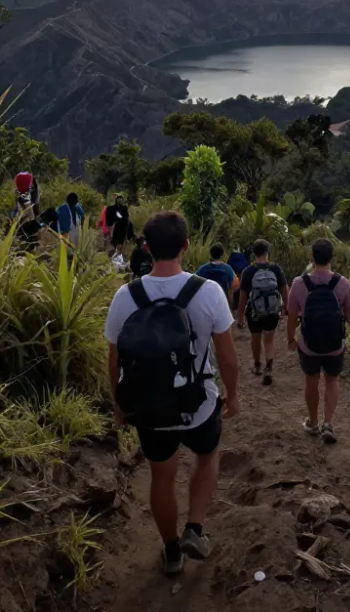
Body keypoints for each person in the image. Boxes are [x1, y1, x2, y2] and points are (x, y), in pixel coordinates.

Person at [104, 211, 239, 577]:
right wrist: (234, 394)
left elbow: (115, 360)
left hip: (149, 409)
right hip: (197, 404)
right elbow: (227, 358)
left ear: (146, 247)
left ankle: (171, 551)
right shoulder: (208, 292)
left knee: (161, 477)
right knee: (208, 455)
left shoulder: (125, 296)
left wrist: (120, 406)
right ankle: (194, 528)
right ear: (185, 245)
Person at [287, 238, 350, 444]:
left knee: (311, 380)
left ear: (311, 257)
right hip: (335, 346)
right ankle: (329, 423)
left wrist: (291, 339)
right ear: (332, 258)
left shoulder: (299, 284)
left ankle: (313, 422)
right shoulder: (343, 283)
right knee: (332, 380)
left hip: (309, 345)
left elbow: (291, 316)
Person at [237, 239, 288, 386]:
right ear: (267, 252)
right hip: (272, 311)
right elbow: (284, 289)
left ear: (254, 253)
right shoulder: (276, 269)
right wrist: (286, 308)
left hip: (254, 311)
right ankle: (269, 368)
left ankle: (258, 366)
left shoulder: (248, 271)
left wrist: (240, 317)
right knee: (269, 339)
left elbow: (243, 297)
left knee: (256, 337)